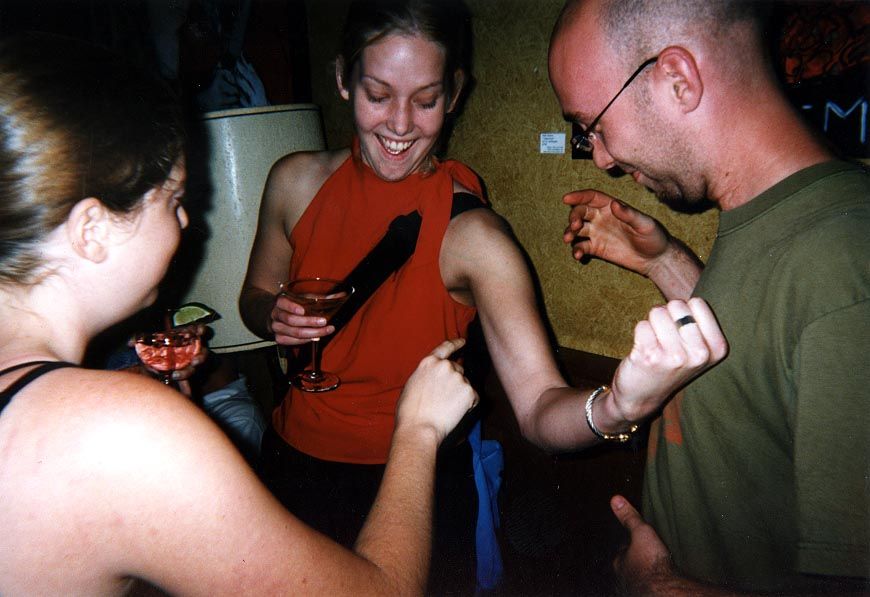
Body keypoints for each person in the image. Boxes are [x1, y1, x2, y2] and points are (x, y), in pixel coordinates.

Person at [240, 0, 726, 591]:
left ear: (454, 94)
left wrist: (619, 406)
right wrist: (273, 313)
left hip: (411, 482)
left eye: (425, 101)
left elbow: (540, 407)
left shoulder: (474, 237)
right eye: (378, 94)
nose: (400, 124)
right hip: (288, 462)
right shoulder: (292, 181)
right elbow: (254, 298)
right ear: (343, 79)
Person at [0, 32, 480, 595]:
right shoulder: (123, 427)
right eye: (173, 202)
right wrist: (419, 428)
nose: (186, 224)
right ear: (92, 230)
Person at [550, 0, 870, 594]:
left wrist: (658, 586)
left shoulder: (848, 257)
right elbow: (756, 367)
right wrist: (664, 260)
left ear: (678, 79)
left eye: (594, 126)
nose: (602, 158)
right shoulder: (775, 217)